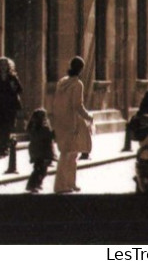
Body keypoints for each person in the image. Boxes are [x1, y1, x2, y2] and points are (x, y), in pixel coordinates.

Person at [51, 55, 93, 194]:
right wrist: (89, 116)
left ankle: (70, 183)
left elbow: (56, 102)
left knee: (69, 153)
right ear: (81, 69)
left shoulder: (62, 82)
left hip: (60, 120)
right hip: (73, 122)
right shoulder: (77, 84)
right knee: (69, 154)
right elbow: (78, 105)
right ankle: (61, 185)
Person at [0, 56, 23, 155]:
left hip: (10, 106)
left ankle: (4, 147)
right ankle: (2, 146)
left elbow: (19, 90)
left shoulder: (12, 77)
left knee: (7, 127)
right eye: (1, 65)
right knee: (1, 127)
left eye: (5, 65)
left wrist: (13, 86)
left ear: (8, 66)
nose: (3, 67)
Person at [25, 107, 55, 193]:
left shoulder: (33, 127)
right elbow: (49, 136)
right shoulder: (42, 128)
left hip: (36, 151)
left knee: (40, 169)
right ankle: (31, 185)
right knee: (40, 170)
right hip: (42, 151)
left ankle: (37, 184)